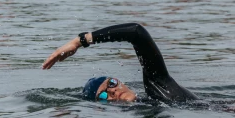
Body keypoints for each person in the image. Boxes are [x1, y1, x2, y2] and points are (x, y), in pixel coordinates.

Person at [42, 23, 198, 103]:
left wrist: (79, 41)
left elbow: (137, 32)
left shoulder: (159, 87)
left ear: (121, 82)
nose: (113, 91)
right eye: (103, 95)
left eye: (112, 84)